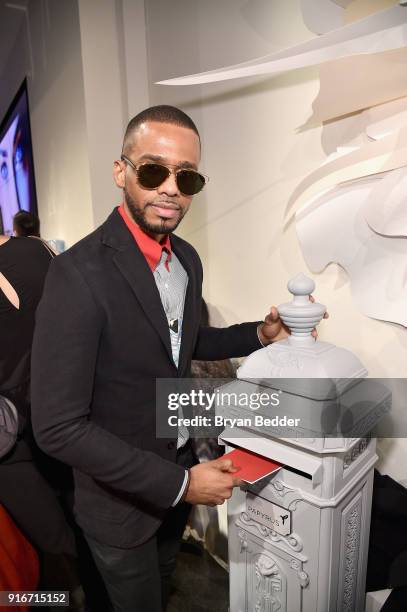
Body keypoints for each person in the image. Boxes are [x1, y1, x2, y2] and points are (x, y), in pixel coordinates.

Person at [31, 105, 291, 612]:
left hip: (174, 483)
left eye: (186, 176)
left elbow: (185, 345)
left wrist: (259, 334)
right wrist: (180, 484)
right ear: (121, 171)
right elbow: (57, 427)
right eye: (153, 170)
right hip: (121, 503)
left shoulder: (186, 259)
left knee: (165, 583)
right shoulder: (77, 275)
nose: (171, 188)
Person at [0, 234, 84, 609]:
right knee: (79, 532)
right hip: (66, 415)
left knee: (49, 546)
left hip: (11, 439)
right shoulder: (39, 247)